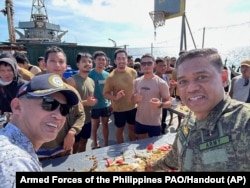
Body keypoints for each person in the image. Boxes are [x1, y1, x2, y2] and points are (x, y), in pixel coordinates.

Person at [145, 48, 250, 171]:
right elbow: (175, 155)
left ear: (223, 78)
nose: (191, 88)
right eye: (183, 81)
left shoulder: (244, 123)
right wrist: (153, 167)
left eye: (201, 77)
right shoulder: (189, 119)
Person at [0, 73, 79, 187]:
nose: (58, 115)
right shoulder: (16, 161)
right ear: (17, 106)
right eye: (49, 103)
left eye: (64, 109)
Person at [36, 46, 85, 161]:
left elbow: (80, 115)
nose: (57, 65)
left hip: (63, 148)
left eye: (61, 62)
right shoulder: (34, 88)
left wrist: (72, 132)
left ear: (65, 66)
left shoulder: (70, 91)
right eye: (52, 61)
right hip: (37, 149)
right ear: (44, 63)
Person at [133, 54, 172, 140]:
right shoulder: (136, 81)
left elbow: (169, 103)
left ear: (154, 64)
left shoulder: (161, 83)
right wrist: (135, 99)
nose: (146, 66)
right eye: (143, 64)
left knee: (153, 150)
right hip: (140, 120)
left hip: (154, 122)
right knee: (140, 145)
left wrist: (160, 104)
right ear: (141, 65)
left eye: (149, 63)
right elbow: (132, 100)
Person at [103, 49, 137, 144]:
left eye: (123, 58)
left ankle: (132, 147)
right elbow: (105, 93)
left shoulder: (133, 72)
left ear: (127, 60)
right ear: (115, 61)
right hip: (119, 109)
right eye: (119, 58)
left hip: (133, 107)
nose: (121, 61)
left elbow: (136, 87)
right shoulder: (111, 77)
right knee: (120, 130)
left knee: (132, 128)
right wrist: (115, 98)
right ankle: (120, 150)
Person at [67, 52, 97, 153]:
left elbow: (91, 99)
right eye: (84, 61)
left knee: (84, 142)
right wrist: (86, 103)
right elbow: (67, 103)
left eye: (89, 61)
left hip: (87, 119)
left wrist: (93, 102)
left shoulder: (91, 81)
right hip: (74, 121)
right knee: (74, 145)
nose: (88, 63)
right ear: (77, 64)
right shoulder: (71, 80)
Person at [89, 51, 112, 148]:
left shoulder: (108, 75)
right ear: (94, 61)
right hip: (94, 106)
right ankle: (95, 143)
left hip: (105, 104)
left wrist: (111, 102)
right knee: (95, 125)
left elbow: (110, 89)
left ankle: (106, 143)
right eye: (99, 59)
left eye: (103, 60)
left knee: (105, 125)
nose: (101, 62)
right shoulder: (90, 74)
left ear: (106, 62)